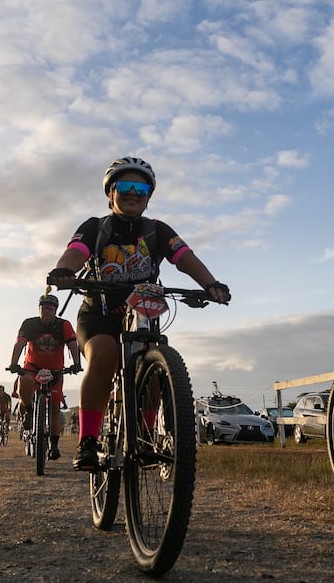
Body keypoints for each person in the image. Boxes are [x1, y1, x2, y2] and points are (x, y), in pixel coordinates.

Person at [46, 156, 230, 472]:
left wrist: (210, 284)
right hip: (99, 314)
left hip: (142, 315)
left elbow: (185, 257)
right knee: (104, 355)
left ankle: (144, 437)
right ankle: (88, 440)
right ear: (111, 193)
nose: (133, 193)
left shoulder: (157, 230)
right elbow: (76, 252)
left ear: (148, 197)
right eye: (125, 186)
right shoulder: (95, 228)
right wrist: (64, 270)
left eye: (141, 188)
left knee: (153, 368)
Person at [7, 293, 82, 460]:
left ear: (55, 309)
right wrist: (13, 363)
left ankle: (54, 445)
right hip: (32, 368)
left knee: (55, 407)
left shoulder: (63, 325)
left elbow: (72, 343)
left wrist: (77, 363)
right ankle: (28, 411)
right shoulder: (30, 324)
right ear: (39, 308)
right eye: (43, 307)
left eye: (50, 307)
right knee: (24, 381)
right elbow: (20, 343)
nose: (46, 310)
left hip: (55, 371)